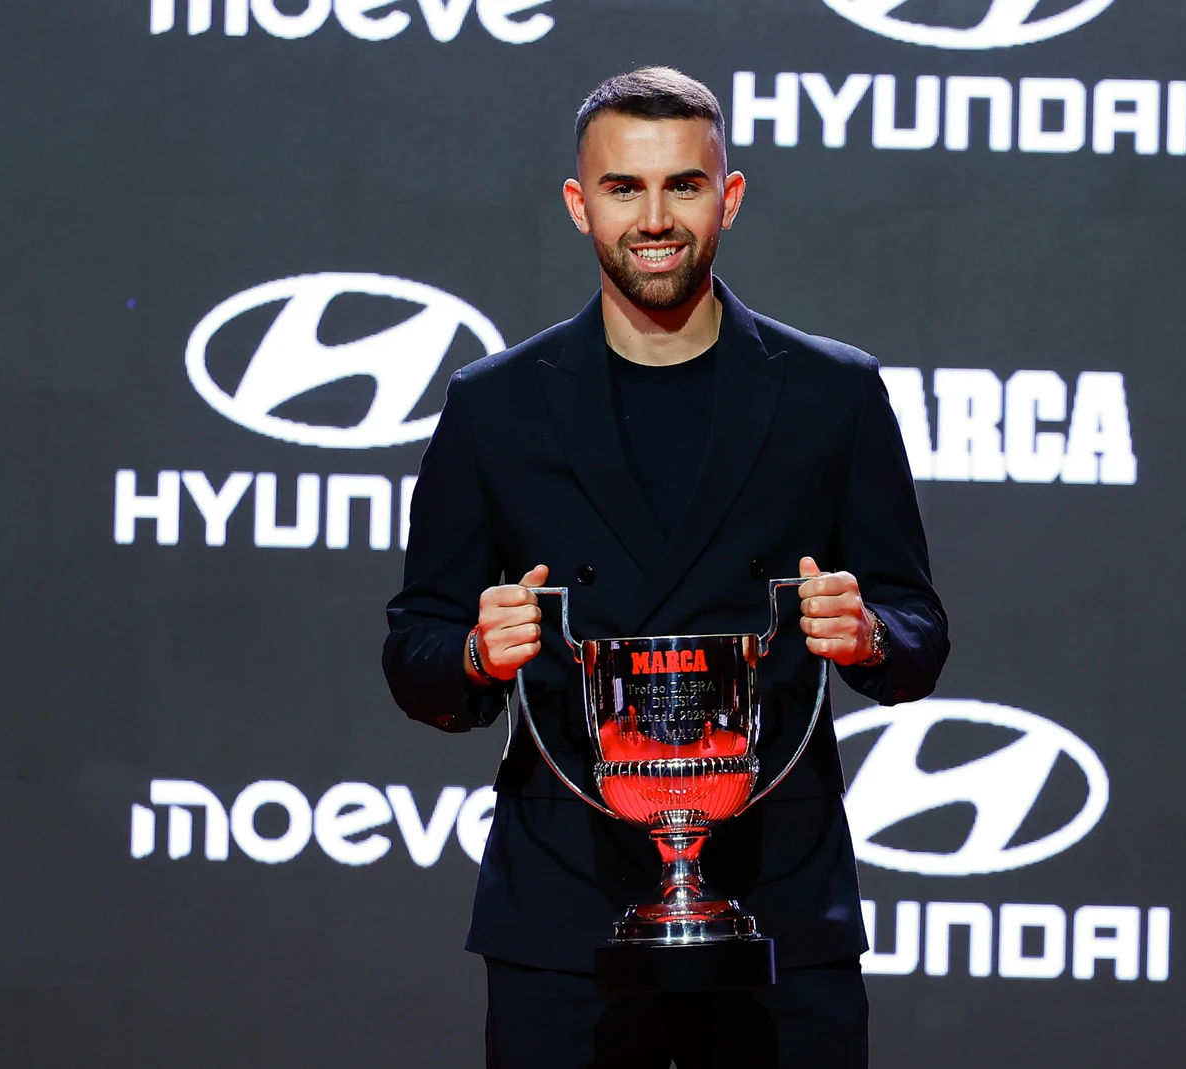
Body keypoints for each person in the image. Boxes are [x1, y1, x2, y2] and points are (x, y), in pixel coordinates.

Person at [382, 66, 948, 1069]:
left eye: (683, 185)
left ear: (729, 196)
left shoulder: (833, 392)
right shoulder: (494, 404)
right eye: (623, 188)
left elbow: (917, 632)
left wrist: (869, 635)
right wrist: (474, 653)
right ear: (579, 204)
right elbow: (414, 649)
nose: (654, 218)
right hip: (565, 913)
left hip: (779, 907)